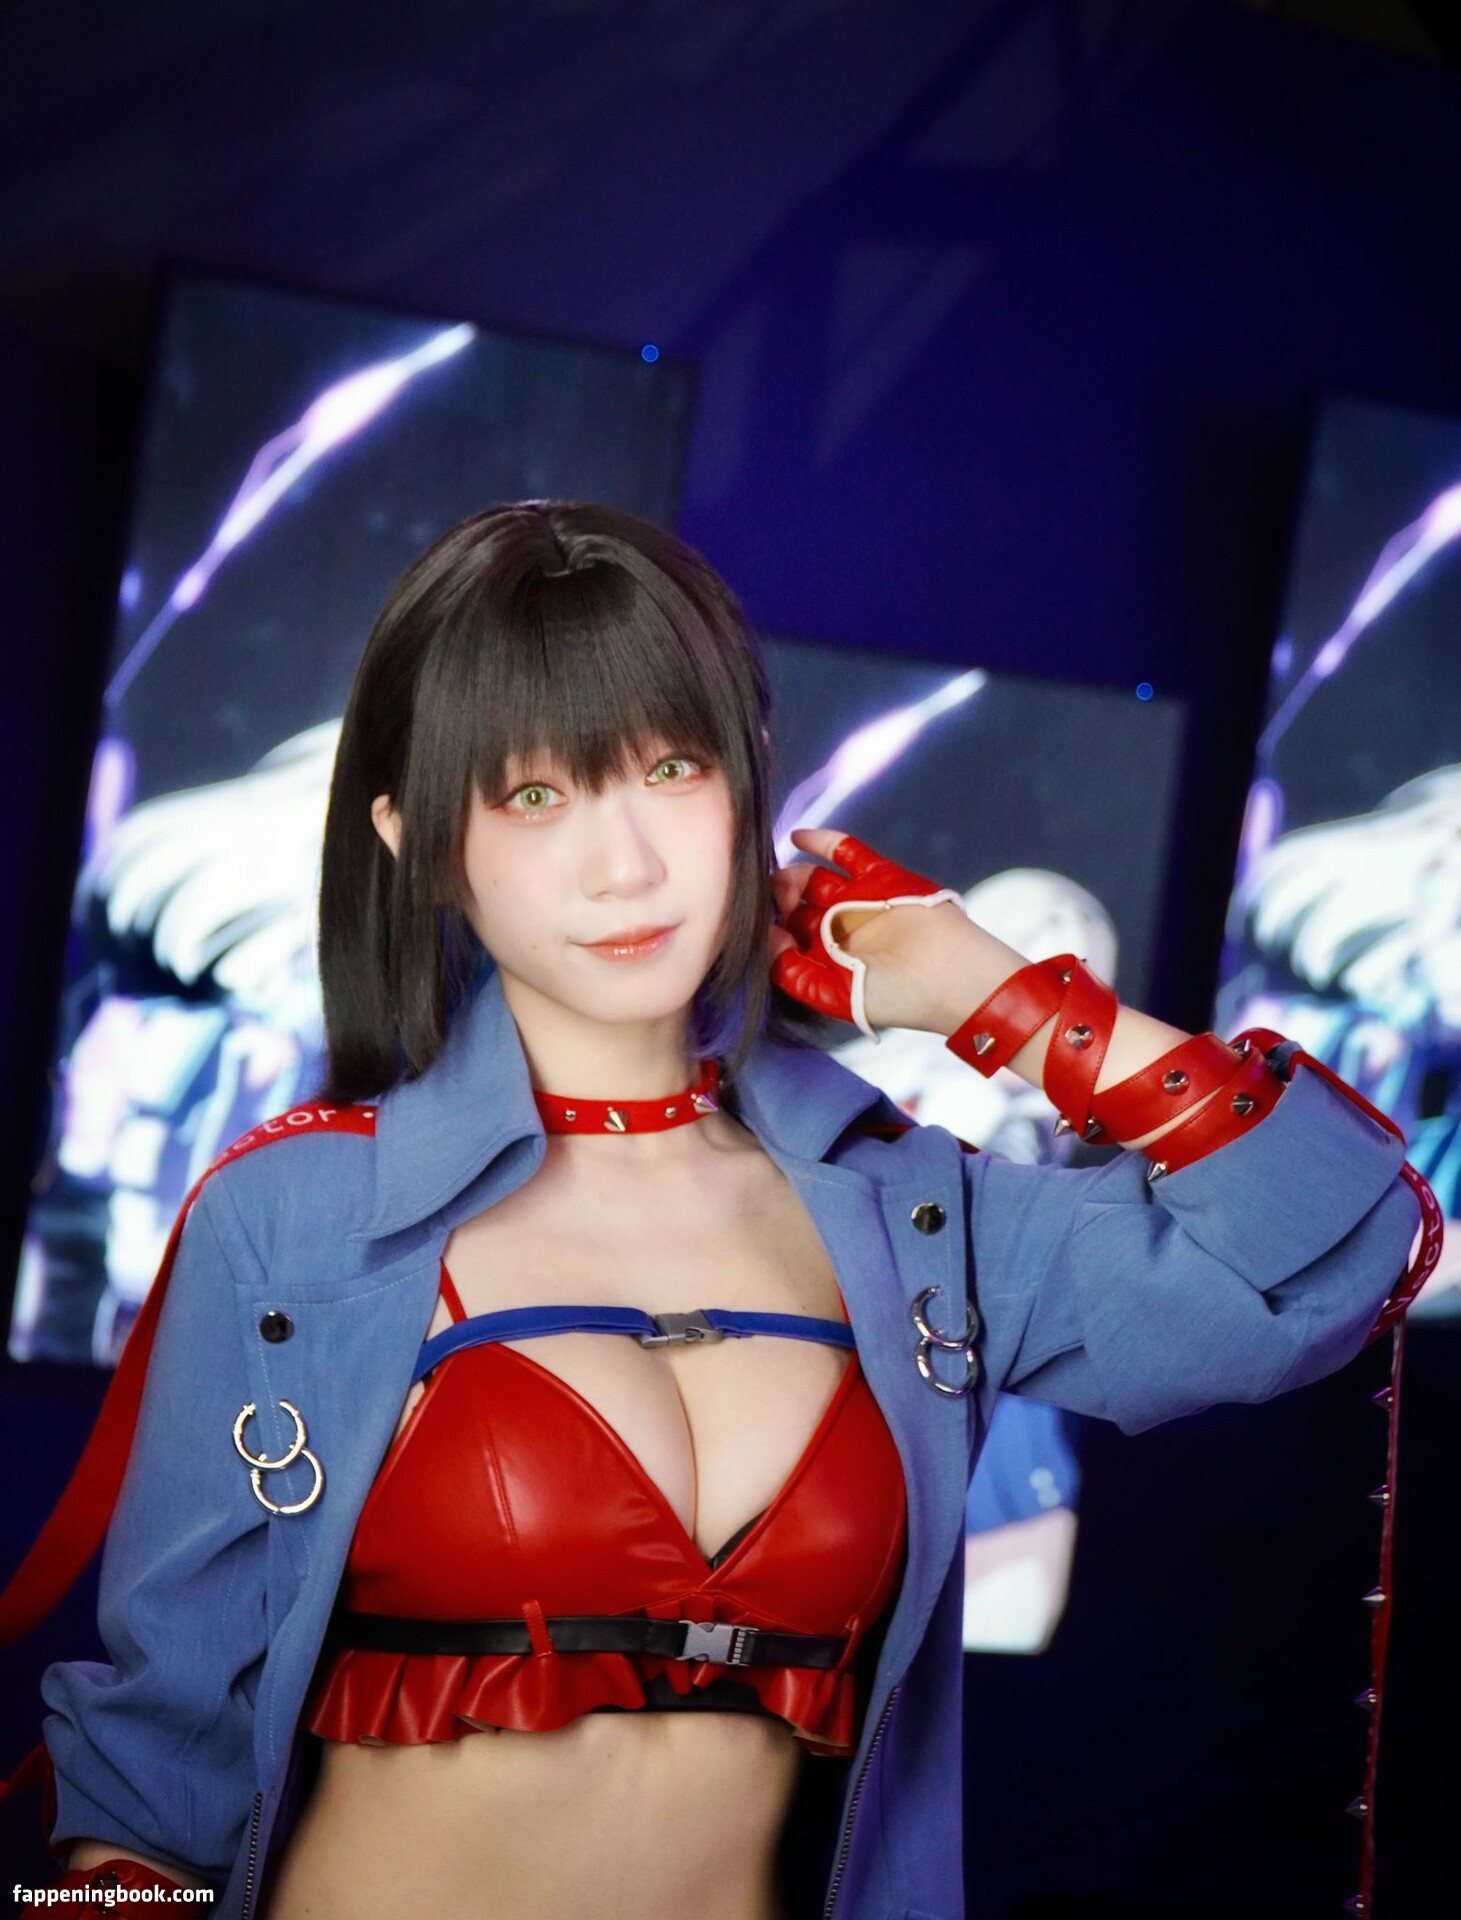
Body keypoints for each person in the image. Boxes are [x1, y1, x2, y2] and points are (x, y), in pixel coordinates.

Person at [2, 502, 1430, 1920]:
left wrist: (990, 994)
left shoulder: (915, 1213)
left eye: (672, 769)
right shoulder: (296, 1215)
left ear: (747, 788)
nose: (626, 865)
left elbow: (1340, 1255)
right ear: (420, 838)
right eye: (535, 796)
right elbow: (148, 1785)